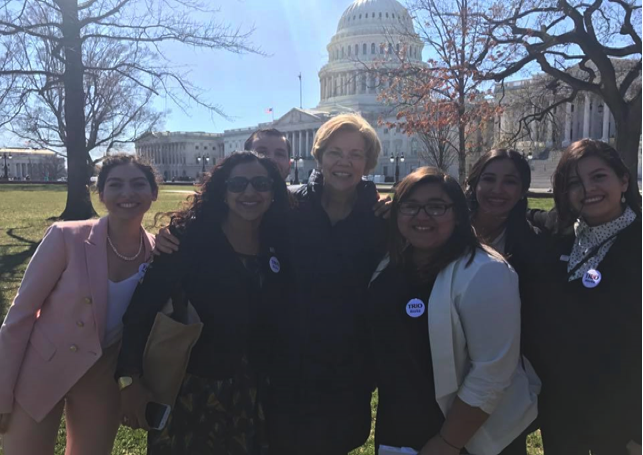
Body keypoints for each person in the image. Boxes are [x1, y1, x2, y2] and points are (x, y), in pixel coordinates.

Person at [116, 152, 290, 455]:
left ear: (274, 191)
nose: (250, 192)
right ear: (222, 191)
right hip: (192, 389)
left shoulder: (279, 241)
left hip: (256, 392)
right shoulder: (188, 241)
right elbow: (140, 312)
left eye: (261, 183)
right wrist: (129, 379)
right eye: (238, 184)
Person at [368, 167, 539, 455]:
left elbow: (492, 373)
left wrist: (448, 442)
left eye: (436, 207)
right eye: (410, 206)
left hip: (467, 436)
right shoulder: (393, 262)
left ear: (458, 214)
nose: (422, 216)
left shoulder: (486, 272)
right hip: (399, 423)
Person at [0, 153, 158, 455]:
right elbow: (19, 316)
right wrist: (2, 391)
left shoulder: (157, 253)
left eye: (138, 184)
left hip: (102, 376)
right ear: (101, 194)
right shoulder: (66, 237)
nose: (127, 193)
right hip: (42, 367)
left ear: (153, 193)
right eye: (115, 185)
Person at [269, 114, 388, 454]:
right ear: (318, 156)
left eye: (355, 154)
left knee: (338, 441)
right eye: (335, 152)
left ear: (368, 162)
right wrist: (174, 236)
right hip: (290, 356)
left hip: (349, 360)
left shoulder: (383, 219)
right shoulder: (290, 208)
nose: (344, 163)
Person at [523, 139, 642, 455]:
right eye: (574, 182)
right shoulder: (560, 233)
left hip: (622, 422)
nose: (587, 188)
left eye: (598, 176)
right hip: (562, 414)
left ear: (624, 180)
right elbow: (522, 213)